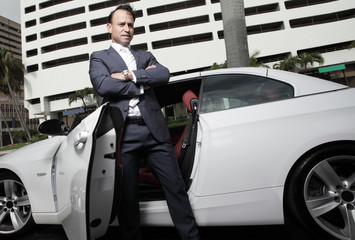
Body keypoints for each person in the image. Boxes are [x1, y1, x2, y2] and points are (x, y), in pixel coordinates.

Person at [89, 4, 200, 240]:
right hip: (123, 134)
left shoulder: (144, 55)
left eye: (130, 24)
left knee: (176, 188)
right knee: (127, 197)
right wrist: (142, 82)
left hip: (155, 132)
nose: (127, 29)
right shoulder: (99, 57)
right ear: (109, 28)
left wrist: (129, 75)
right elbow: (104, 85)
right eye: (121, 24)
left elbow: (163, 74)